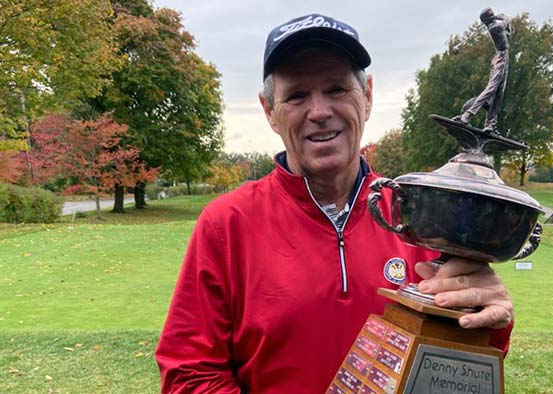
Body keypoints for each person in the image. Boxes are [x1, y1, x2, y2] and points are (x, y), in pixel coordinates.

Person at [155, 13, 514, 393]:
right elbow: (189, 373)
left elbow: (455, 368)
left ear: (368, 96)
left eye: (337, 89)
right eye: (296, 95)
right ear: (269, 111)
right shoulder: (226, 223)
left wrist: (486, 321)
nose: (320, 111)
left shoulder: (423, 213)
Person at [457, 8, 512, 133]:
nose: (494, 15)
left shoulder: (496, 27)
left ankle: (490, 124)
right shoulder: (494, 28)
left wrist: (505, 21)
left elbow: (508, 35)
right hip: (500, 59)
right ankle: (466, 115)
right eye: (491, 14)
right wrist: (502, 17)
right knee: (491, 89)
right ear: (488, 18)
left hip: (505, 58)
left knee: (499, 93)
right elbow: (507, 21)